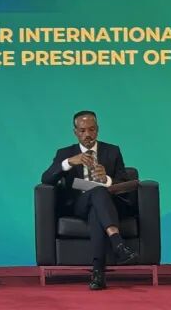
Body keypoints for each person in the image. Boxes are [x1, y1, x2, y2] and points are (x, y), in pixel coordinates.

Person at [41, 110, 138, 290]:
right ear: (75, 132)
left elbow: (125, 184)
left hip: (106, 204)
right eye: (83, 130)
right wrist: (69, 162)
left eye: (92, 130)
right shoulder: (65, 153)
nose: (88, 134)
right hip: (79, 204)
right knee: (96, 192)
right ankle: (117, 243)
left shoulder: (112, 151)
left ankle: (98, 273)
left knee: (97, 203)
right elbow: (46, 178)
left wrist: (107, 179)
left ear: (97, 130)